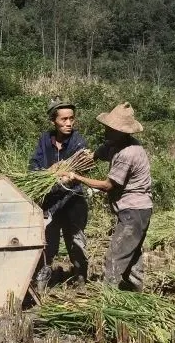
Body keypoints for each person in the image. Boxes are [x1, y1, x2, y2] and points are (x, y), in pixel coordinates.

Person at [62, 102, 152, 291]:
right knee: (132, 255)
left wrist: (76, 177)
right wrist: (80, 160)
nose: (106, 131)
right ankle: (137, 295)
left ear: (122, 131)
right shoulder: (115, 144)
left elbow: (107, 186)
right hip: (134, 210)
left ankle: (108, 298)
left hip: (134, 212)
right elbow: (98, 154)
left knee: (115, 257)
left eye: (110, 129)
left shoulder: (128, 153)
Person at [29, 99, 90, 291]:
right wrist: (49, 174)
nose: (69, 123)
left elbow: (76, 172)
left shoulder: (79, 142)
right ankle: (42, 281)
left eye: (71, 119)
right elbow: (33, 166)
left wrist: (58, 175)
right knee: (48, 243)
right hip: (50, 202)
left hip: (72, 201)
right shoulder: (45, 140)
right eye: (64, 119)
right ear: (53, 121)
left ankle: (81, 279)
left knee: (76, 242)